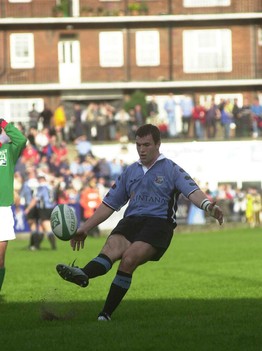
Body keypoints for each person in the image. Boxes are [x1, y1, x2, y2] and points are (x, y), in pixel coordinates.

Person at [55, 124, 224, 321]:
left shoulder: (171, 169)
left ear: (158, 145)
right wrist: (85, 227)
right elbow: (109, 204)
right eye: (138, 145)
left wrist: (208, 206)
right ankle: (81, 274)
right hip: (131, 221)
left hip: (159, 225)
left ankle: (105, 314)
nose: (141, 150)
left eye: (146, 145)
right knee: (109, 250)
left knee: (128, 259)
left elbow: (192, 191)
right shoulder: (130, 171)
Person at [0, 118, 27, 292]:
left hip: (2, 209)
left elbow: (21, 140)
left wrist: (2, 122)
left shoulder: (7, 150)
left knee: (0, 259)